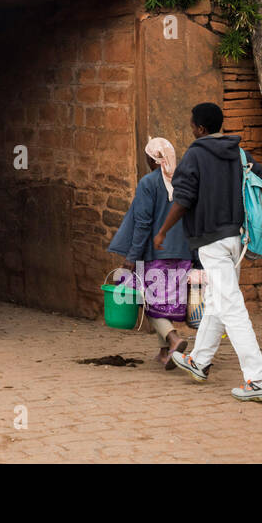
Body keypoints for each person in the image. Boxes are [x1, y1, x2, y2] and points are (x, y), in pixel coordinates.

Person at [155, 102, 262, 402]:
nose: (191, 129)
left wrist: (162, 231)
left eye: (192, 124)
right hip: (237, 239)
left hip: (211, 241)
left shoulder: (195, 154)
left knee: (231, 306)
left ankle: (258, 378)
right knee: (216, 300)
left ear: (200, 128)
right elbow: (261, 181)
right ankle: (199, 361)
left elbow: (182, 199)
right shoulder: (238, 152)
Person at [107, 137, 192, 366]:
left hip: (156, 255)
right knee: (164, 302)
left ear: (152, 159)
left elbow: (143, 224)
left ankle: (173, 340)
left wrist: (131, 258)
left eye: (147, 157)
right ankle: (165, 353)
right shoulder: (186, 181)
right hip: (183, 253)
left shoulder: (148, 183)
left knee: (151, 304)